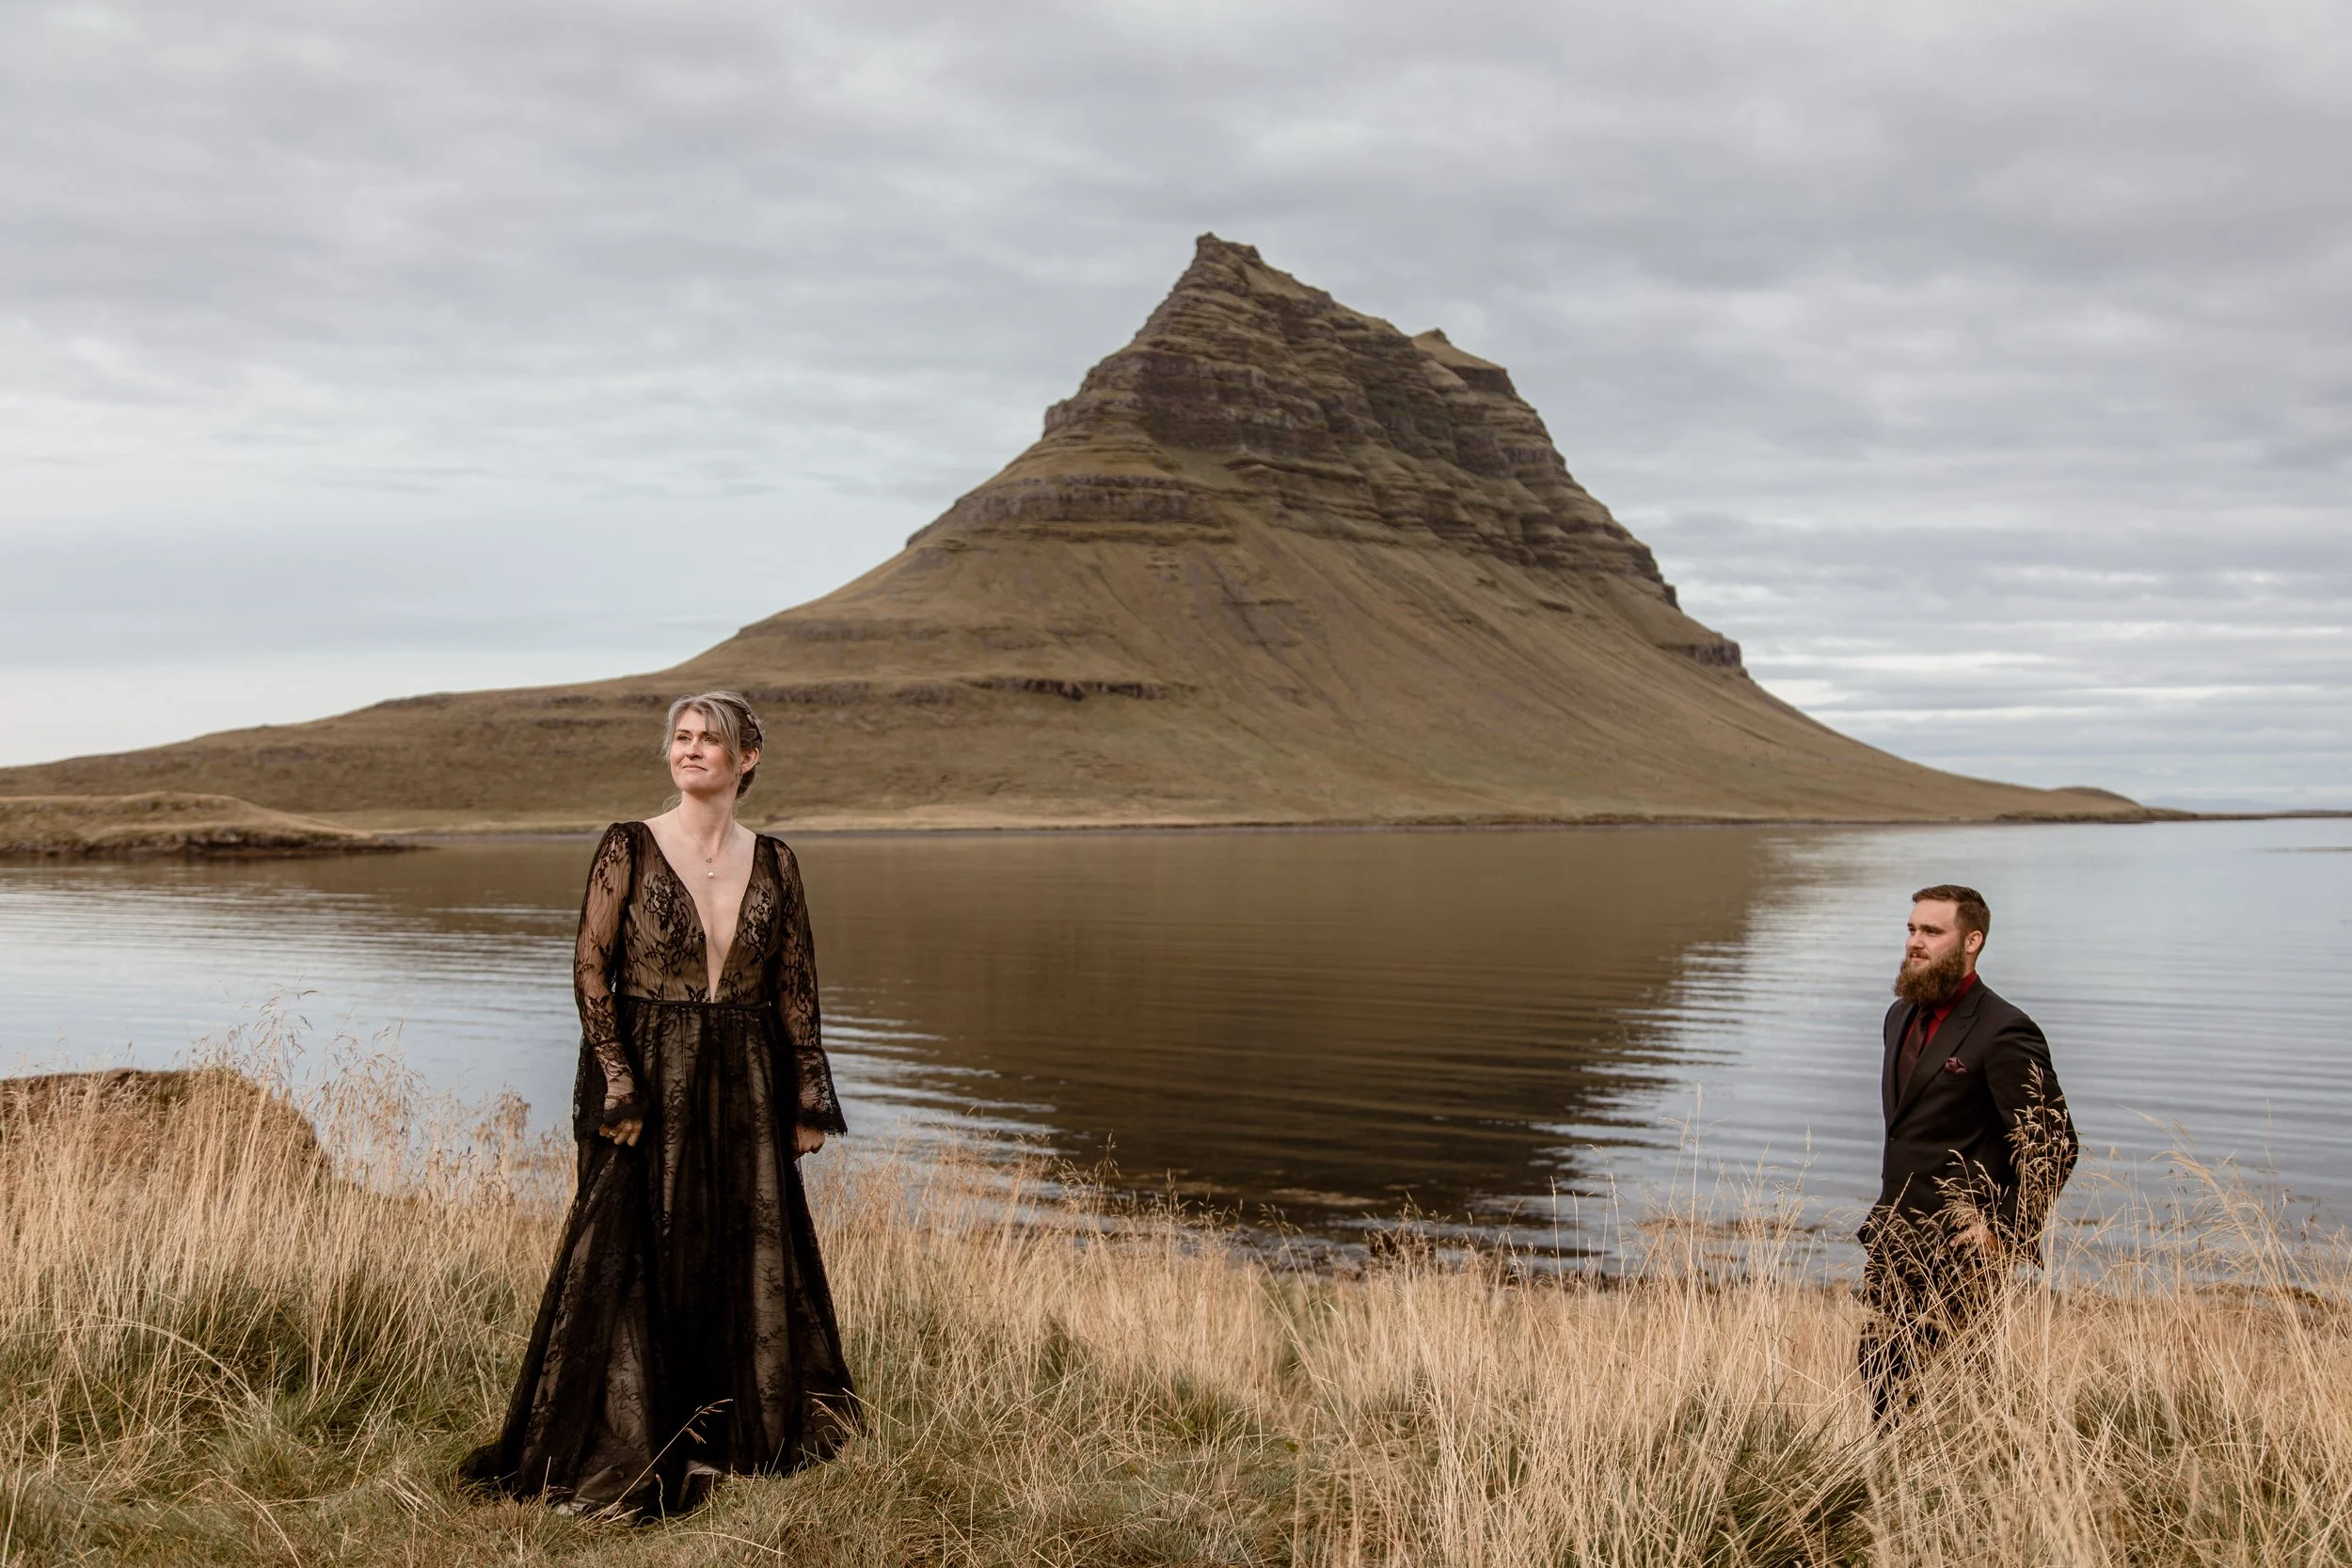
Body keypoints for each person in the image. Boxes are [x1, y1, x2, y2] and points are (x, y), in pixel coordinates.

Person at [463, 691, 856, 1515]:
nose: (691, 749)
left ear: (747, 757)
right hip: (643, 1071)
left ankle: (719, 1439)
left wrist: (808, 1093)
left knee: (737, 1243)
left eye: (709, 738)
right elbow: (590, 969)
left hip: (743, 1073)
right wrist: (618, 1080)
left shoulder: (777, 860)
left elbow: (796, 985)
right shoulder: (629, 845)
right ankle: (622, 1451)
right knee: (628, 1249)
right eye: (681, 736)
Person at [1859, 883, 2077, 1424]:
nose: (1915, 942)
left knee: (1959, 1397)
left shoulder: (2004, 1030)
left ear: (1971, 941)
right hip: (1895, 1236)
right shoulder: (1898, 1017)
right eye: (1912, 929)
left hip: (1963, 1252)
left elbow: (2053, 1145)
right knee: (1880, 1381)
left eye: (1932, 931)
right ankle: (1895, 1475)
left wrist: (2003, 1231)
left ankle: (1984, 1471)